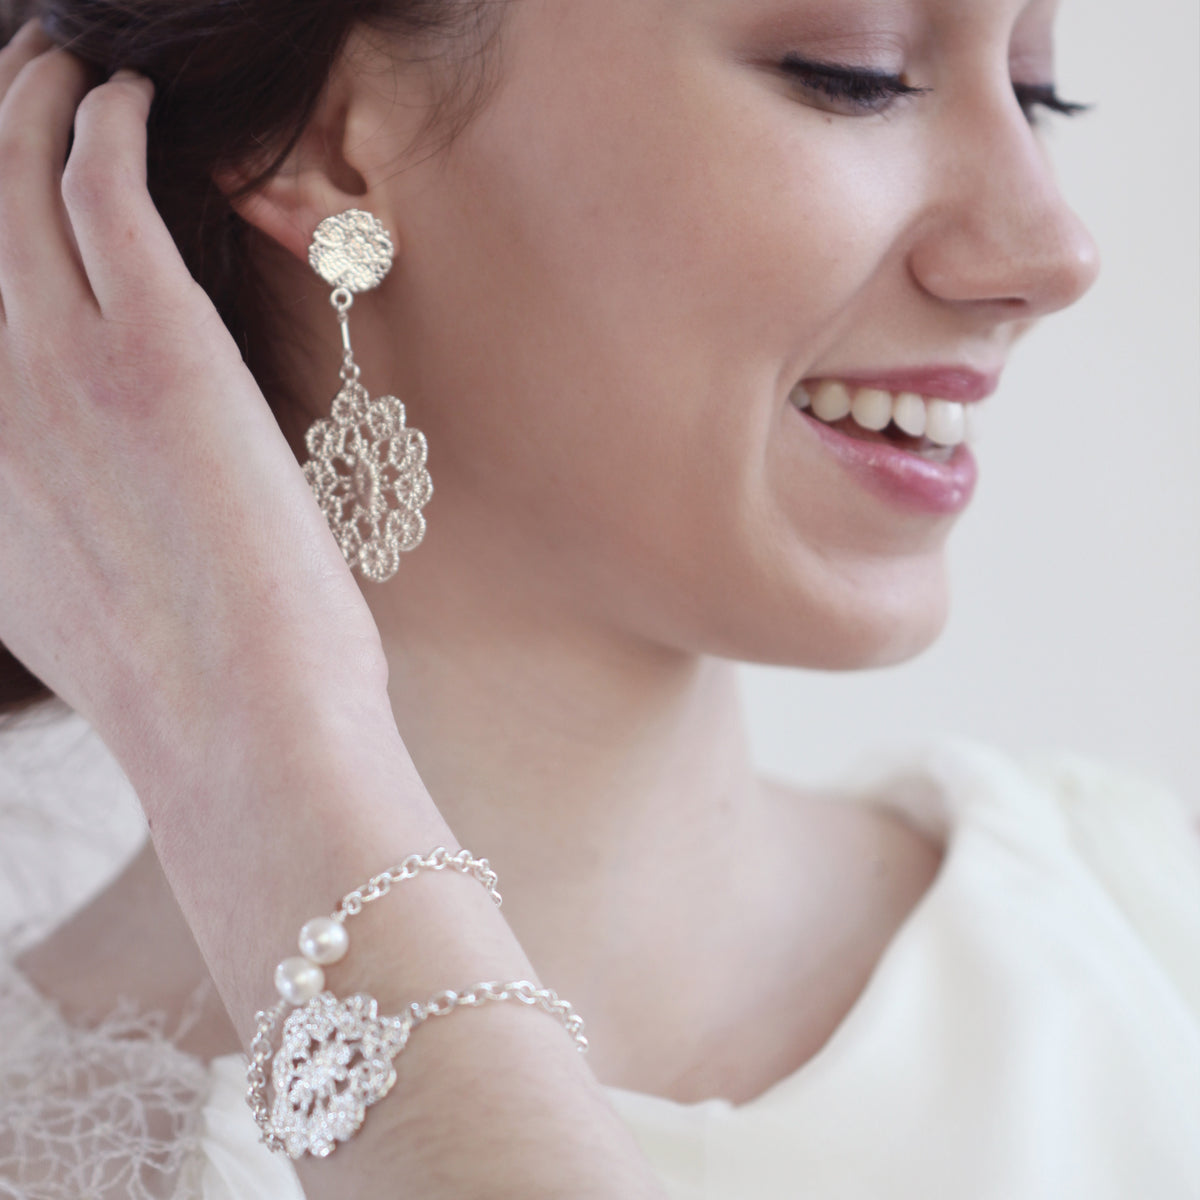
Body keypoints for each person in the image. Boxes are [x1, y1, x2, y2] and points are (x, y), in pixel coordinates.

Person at [0, 0, 1196, 1196]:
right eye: (855, 76)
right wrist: (266, 748)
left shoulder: (1146, 939)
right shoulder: (51, 1153)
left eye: (1039, 94)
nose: (1053, 252)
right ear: (333, 150)